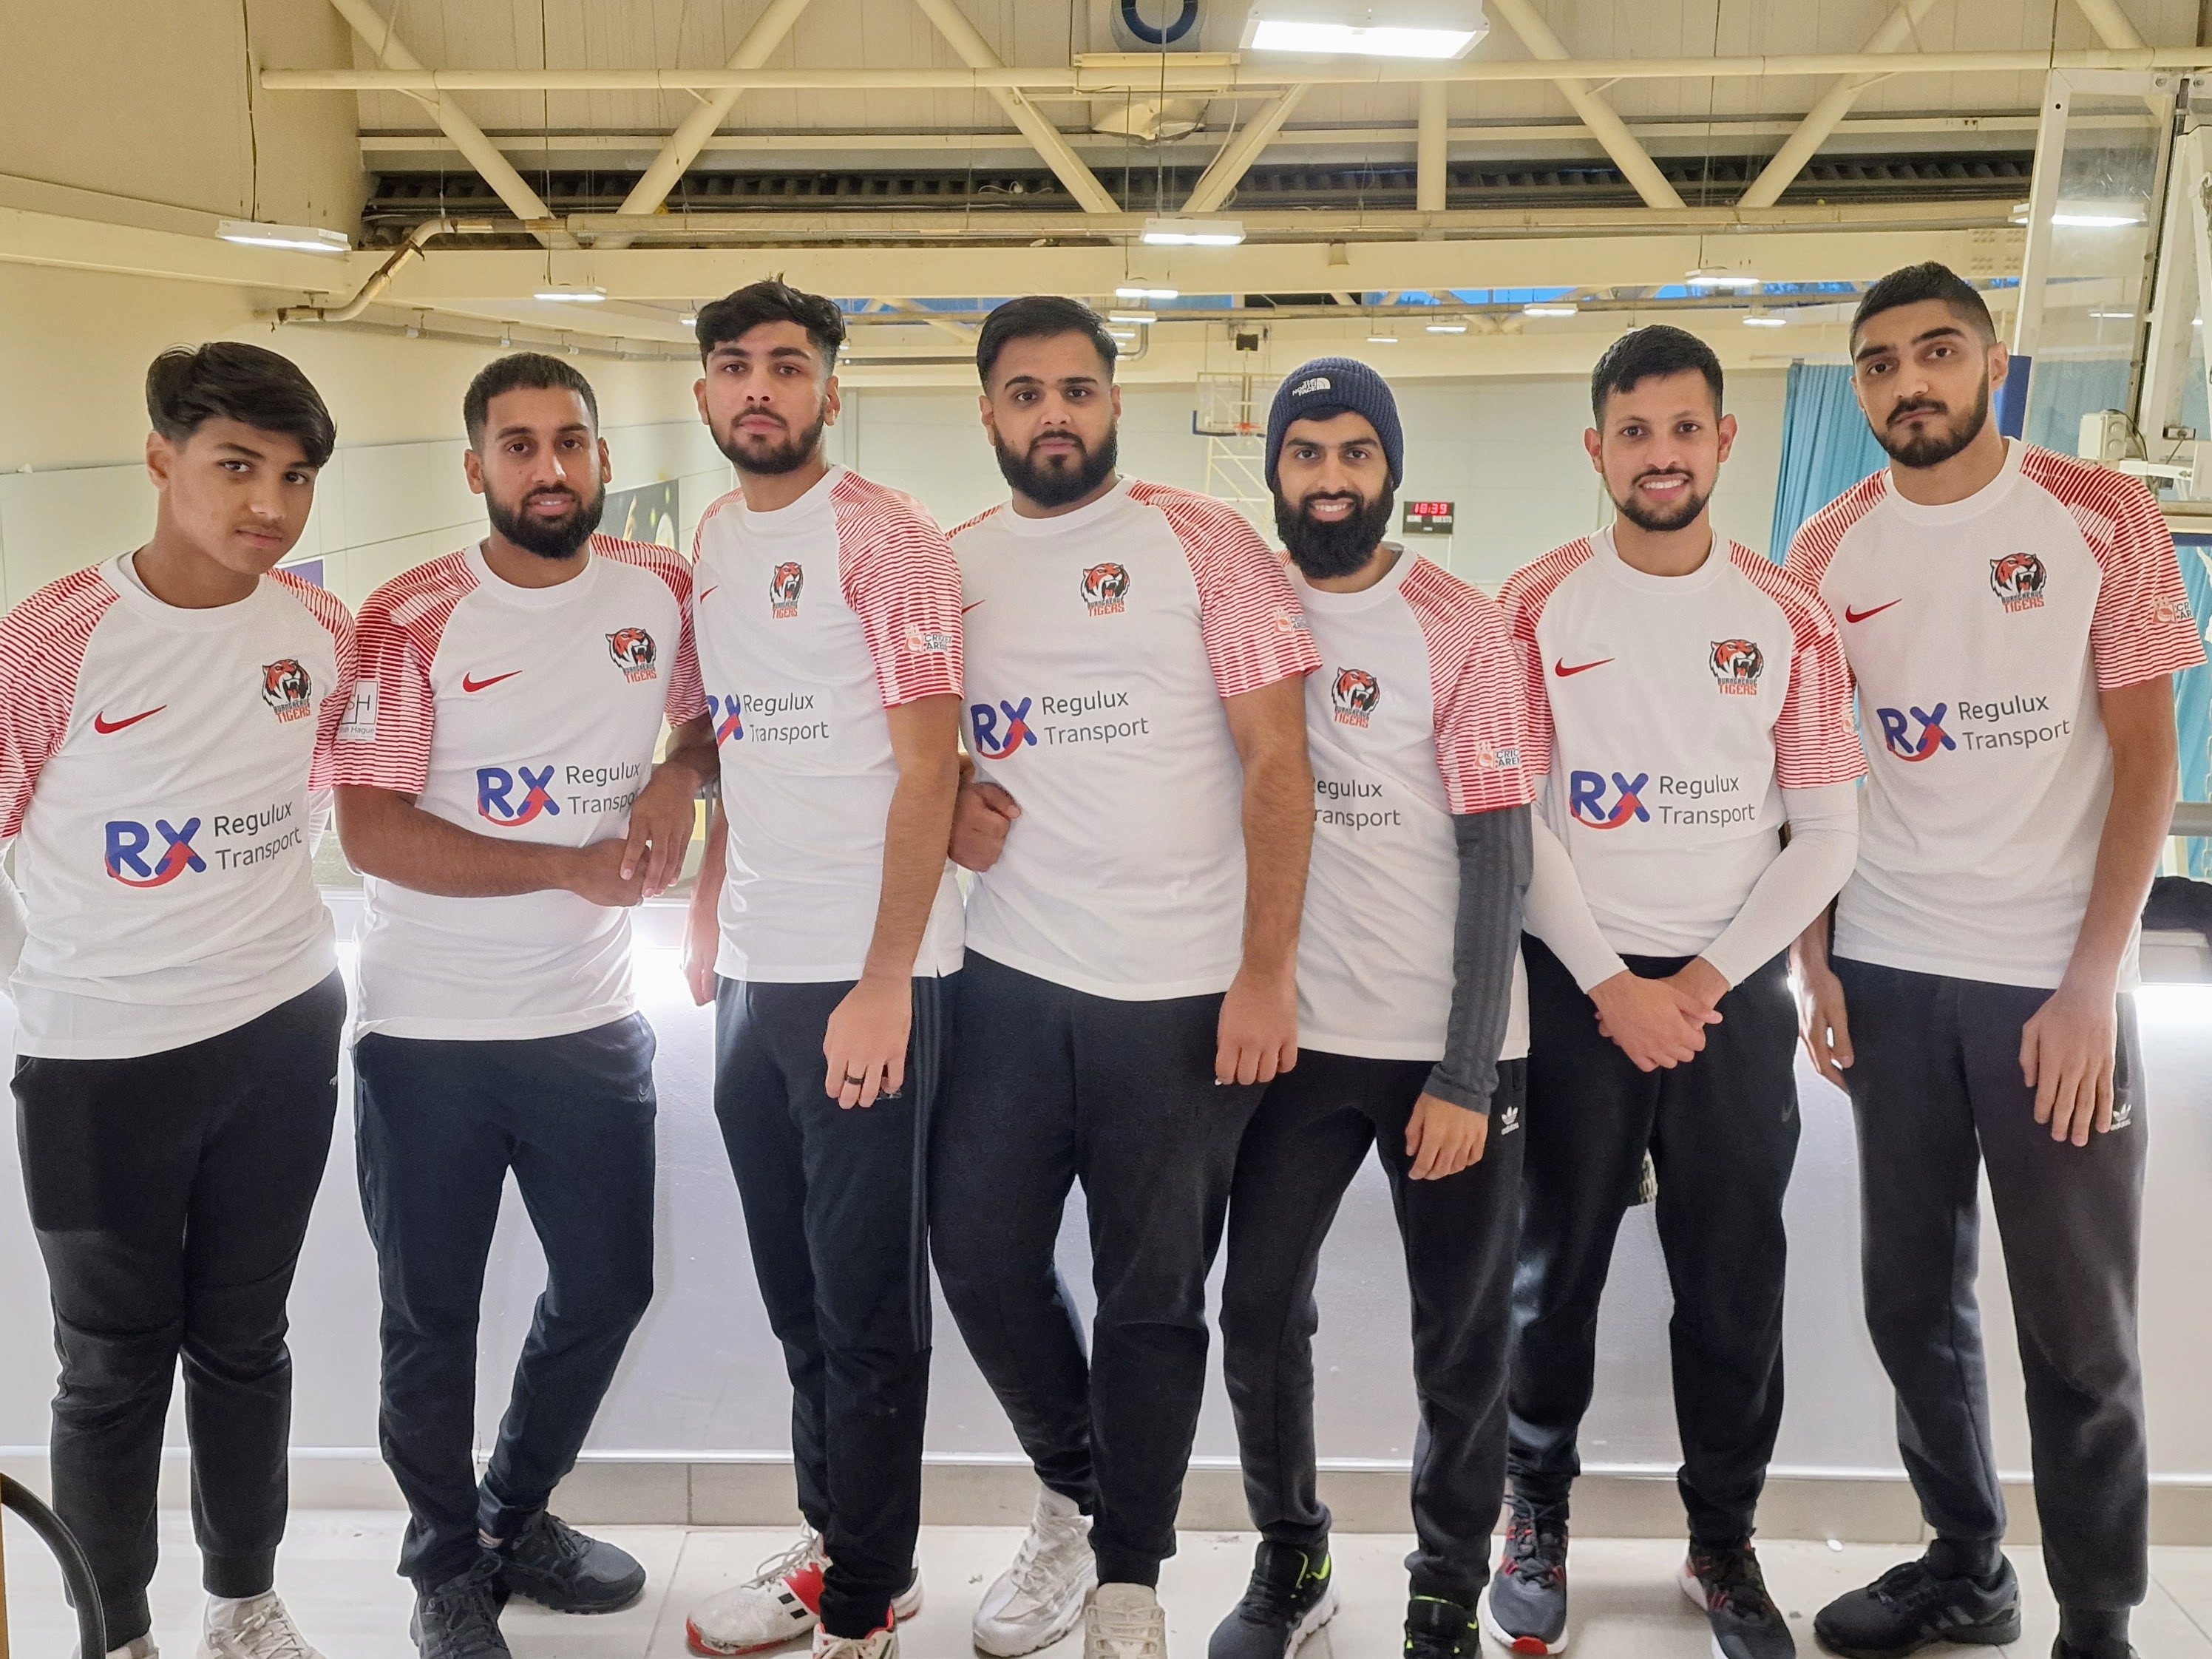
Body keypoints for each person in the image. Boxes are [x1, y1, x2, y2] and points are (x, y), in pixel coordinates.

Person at [1785, 262, 2201, 1659]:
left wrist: (2096, 981)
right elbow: (1815, 768)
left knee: (2077, 1330)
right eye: (1883, 362)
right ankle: (1966, 1566)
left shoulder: (2100, 513)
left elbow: (2148, 756)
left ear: (1994, 363)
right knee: (1910, 1300)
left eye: (1939, 352)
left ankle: (2098, 1616)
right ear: (1860, 387)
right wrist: (1816, 961)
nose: (1912, 382)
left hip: (2051, 985)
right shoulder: (1830, 543)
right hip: (1890, 972)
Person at [934, 295, 1320, 1659]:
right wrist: (959, 802)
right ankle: (1076, 1491)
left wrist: (1266, 973)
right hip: (1011, 977)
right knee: (977, 1256)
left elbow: (1282, 765)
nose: (1056, 415)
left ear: (1114, 403)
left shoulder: (1203, 545)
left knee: (1151, 1299)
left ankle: (1128, 1580)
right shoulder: (951, 564)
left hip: (1181, 993)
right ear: (987, 412)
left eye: (1078, 390)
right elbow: (925, 755)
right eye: (1027, 393)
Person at [1489, 325, 1865, 1659]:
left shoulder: (1788, 616)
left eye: (1684, 429)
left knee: (1731, 1283)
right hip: (1575, 989)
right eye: (1634, 432)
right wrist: (1609, 983)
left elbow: (1825, 830)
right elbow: (1516, 821)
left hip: (1726, 1006)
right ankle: (1533, 1517)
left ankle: (1725, 1542)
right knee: (1551, 1277)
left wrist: (1700, 982)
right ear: (1597, 449)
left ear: (1725, 440)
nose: (1661, 455)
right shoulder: (1530, 606)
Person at [332, 353, 713, 1659]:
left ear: (603, 458)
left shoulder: (660, 590)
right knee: (428, 1319)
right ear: (476, 467)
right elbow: (374, 832)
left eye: (570, 443)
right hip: (427, 1037)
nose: (548, 469)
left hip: (592, 1027)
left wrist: (681, 775)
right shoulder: (412, 614)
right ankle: (444, 1566)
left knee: (606, 1287)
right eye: (518, 446)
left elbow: (716, 716)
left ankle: (513, 1514)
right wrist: (562, 863)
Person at [0, 342, 353, 1659]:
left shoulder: (319, 631)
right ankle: (120, 1631)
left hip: (280, 1029)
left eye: (296, 476)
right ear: (161, 461)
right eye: (236, 467)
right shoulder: (49, 642)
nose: (269, 503)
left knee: (247, 1344)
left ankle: (243, 1603)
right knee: (108, 1371)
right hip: (102, 1059)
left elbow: (324, 789)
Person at [1208, 359, 1535, 1659]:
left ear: (1389, 470)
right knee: (1257, 1312)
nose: (1331, 477)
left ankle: (1449, 1573)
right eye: (1306, 454)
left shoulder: (1460, 621)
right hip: (1292, 1036)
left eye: (1354, 453)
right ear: (1275, 470)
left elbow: (1498, 852)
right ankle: (1292, 1554)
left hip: (1443, 1049)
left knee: (1459, 1336)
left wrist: (1463, 1075)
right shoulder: (1238, 615)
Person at [676, 281, 965, 1659]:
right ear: (704, 395)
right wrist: (710, 896)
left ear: (830, 392)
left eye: (788, 367)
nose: (760, 390)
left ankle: (865, 1607)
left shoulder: (889, 542)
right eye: (735, 367)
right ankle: (843, 1540)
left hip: (870, 978)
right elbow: (743, 744)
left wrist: (888, 974)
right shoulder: (714, 546)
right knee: (798, 1300)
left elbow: (929, 768)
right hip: (755, 973)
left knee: (865, 1312)